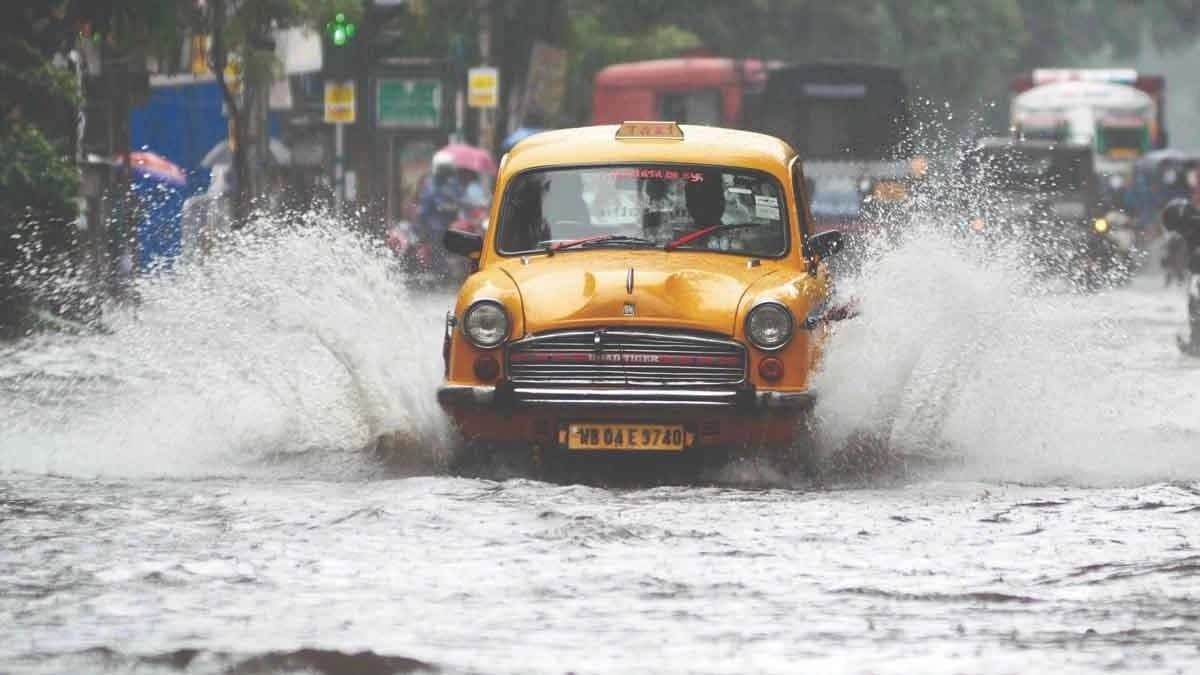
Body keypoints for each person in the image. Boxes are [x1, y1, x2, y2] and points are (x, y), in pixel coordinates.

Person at [1162, 198, 1200, 354]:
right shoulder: (1189, 236)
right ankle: (1196, 341)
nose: (1181, 233)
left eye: (1180, 229)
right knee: (1193, 298)